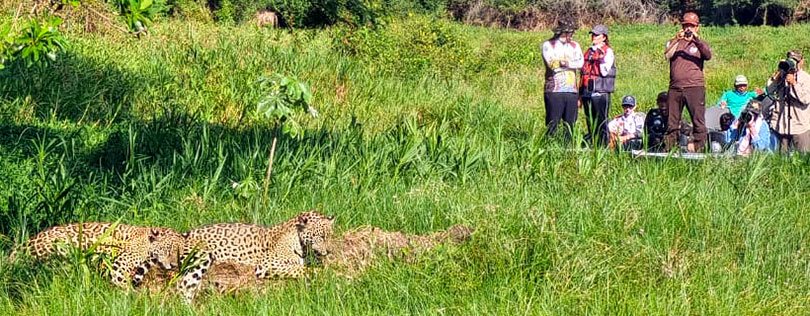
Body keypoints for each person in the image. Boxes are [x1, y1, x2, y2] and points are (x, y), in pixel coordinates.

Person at [663, 12, 712, 152]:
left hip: (694, 88)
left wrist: (696, 40)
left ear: (697, 27)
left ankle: (699, 147)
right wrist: (677, 40)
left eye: (691, 26)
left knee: (698, 121)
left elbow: (708, 55)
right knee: (672, 122)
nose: (688, 29)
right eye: (686, 26)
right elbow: (667, 55)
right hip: (675, 88)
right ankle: (670, 149)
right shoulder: (675, 42)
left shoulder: (700, 44)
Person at [542, 19, 584, 140]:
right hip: (554, 90)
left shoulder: (575, 45)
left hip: (572, 90)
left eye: (571, 33)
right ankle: (550, 146)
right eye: (567, 32)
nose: (570, 35)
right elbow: (552, 64)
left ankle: (568, 149)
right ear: (560, 32)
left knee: (570, 124)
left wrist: (564, 63)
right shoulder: (548, 45)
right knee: (552, 122)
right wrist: (570, 63)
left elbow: (580, 63)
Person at [580, 24, 616, 147]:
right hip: (586, 90)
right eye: (593, 34)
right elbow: (583, 72)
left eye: (597, 35)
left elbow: (604, 72)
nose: (594, 37)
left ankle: (603, 146)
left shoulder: (608, 51)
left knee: (601, 121)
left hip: (600, 90)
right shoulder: (589, 51)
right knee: (590, 120)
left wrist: (600, 59)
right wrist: (580, 95)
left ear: (604, 37)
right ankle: (593, 145)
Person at [767, 50, 810, 153]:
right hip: (783, 125)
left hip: (800, 125)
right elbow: (769, 91)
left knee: (802, 158)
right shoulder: (781, 76)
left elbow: (806, 99)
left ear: (801, 61)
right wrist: (778, 74)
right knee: (783, 160)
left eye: (795, 60)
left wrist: (794, 83)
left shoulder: (806, 78)